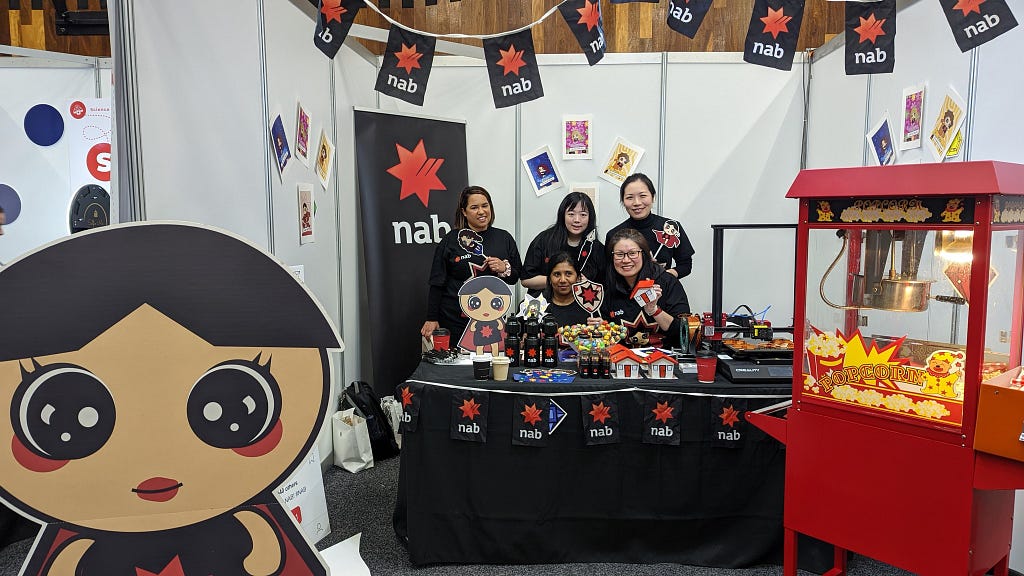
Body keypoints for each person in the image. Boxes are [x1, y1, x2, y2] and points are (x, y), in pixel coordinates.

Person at [0, 223, 341, 575]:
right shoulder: (74, 546)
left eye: (230, 412)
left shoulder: (252, 526)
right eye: (63, 421)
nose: (153, 452)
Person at [421, 186, 522, 344]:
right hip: (454, 320)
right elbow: (437, 282)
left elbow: (515, 277)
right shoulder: (451, 240)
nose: (481, 212)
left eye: (485, 205)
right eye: (474, 207)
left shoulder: (504, 238)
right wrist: (431, 318)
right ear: (464, 211)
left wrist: (504, 268)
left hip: (492, 319)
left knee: (489, 363)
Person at [601, 228, 689, 348]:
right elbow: (610, 342)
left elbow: (684, 333)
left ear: (644, 254)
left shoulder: (666, 282)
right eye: (619, 255)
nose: (626, 260)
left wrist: (654, 310)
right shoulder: (608, 287)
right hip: (624, 361)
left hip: (665, 359)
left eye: (632, 253)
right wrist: (602, 329)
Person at [604, 173, 694, 279]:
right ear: (623, 201)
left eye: (642, 196)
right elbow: (609, 270)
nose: (637, 203)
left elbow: (685, 265)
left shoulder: (670, 227)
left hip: (663, 290)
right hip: (625, 293)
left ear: (653, 197)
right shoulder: (614, 234)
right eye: (629, 197)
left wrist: (664, 276)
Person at [520, 192, 604, 296]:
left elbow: (604, 287)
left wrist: (586, 285)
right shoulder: (544, 240)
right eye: (571, 214)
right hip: (545, 305)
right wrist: (559, 281)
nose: (577, 220)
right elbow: (526, 280)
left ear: (590, 218)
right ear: (562, 215)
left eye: (583, 215)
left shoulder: (597, 248)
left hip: (581, 309)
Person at [542, 252, 594, 328]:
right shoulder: (535, 305)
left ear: (578, 277)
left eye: (568, 274)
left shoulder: (590, 305)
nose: (563, 280)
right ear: (549, 278)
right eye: (557, 274)